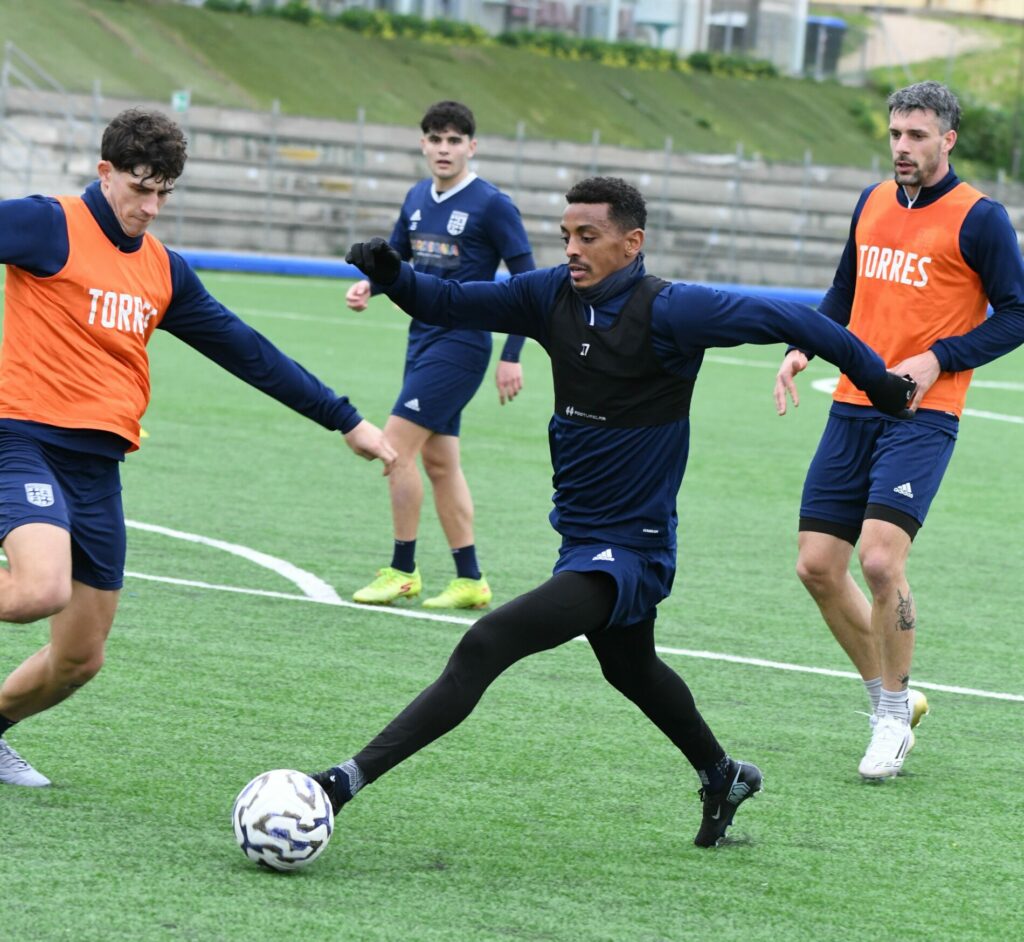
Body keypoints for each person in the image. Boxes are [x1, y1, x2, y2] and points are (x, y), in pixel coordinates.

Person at [308, 176, 915, 848]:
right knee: (629, 666)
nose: (571, 248)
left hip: (634, 546)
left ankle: (339, 785)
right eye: (566, 235)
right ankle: (722, 775)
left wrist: (881, 384)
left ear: (632, 243)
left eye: (588, 236)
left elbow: (799, 321)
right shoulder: (548, 296)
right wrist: (393, 273)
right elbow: (448, 301)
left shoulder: (673, 311)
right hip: (581, 533)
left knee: (486, 643)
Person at [0, 108, 396, 788]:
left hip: (97, 467)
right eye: (139, 189)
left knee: (80, 659)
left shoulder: (163, 270)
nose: (151, 207)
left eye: (164, 193)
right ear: (105, 173)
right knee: (40, 588)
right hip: (22, 439)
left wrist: (345, 419)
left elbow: (248, 352)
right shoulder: (48, 223)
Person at [774, 81, 1024, 780]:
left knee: (881, 563)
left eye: (917, 135)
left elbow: (1016, 314)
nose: (903, 147)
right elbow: (844, 292)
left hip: (923, 415)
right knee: (816, 567)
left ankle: (889, 720)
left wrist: (939, 358)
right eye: (895, 134)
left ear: (948, 139)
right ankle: (892, 700)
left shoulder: (981, 218)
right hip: (852, 404)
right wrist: (804, 345)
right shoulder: (872, 201)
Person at [346, 101, 535, 611]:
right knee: (439, 463)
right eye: (435, 139)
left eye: (454, 140)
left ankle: (402, 571)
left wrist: (512, 354)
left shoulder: (492, 205)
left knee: (394, 448)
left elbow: (528, 283)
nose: (444, 149)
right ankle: (470, 580)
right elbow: (396, 260)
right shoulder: (415, 197)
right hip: (422, 340)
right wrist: (371, 285)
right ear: (423, 144)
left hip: (462, 343)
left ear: (472, 147)